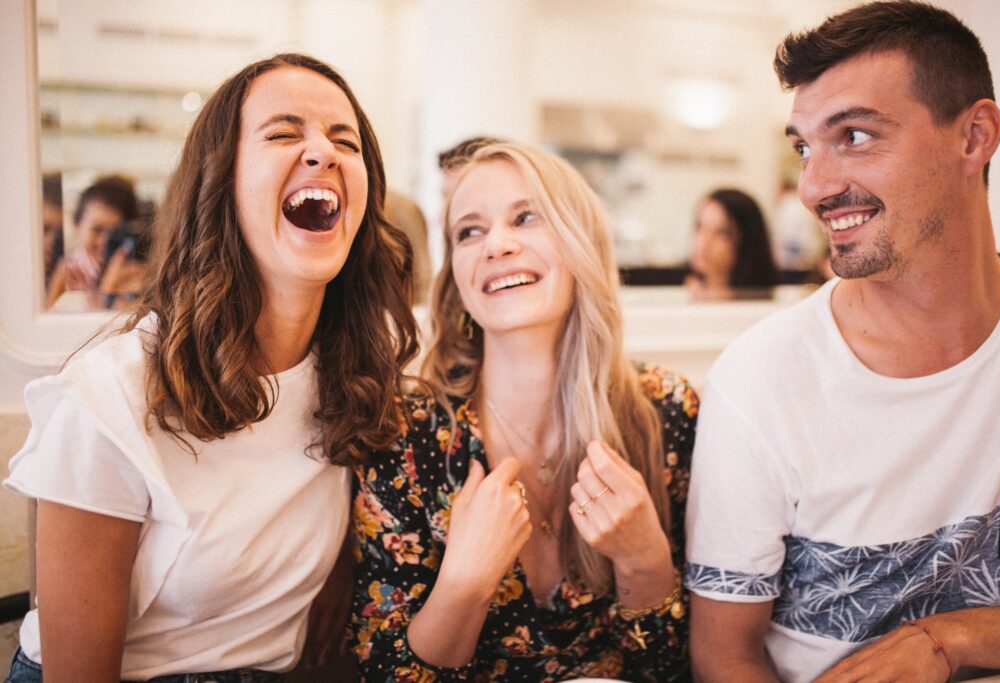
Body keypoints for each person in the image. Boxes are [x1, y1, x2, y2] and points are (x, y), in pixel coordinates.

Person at [3, 53, 417, 682]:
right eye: (283, 133)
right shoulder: (111, 394)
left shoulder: (355, 368)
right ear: (220, 182)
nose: (323, 153)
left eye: (345, 140)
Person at [685, 2, 1000, 682]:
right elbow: (724, 658)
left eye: (857, 137)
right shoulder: (761, 381)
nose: (815, 185)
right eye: (805, 147)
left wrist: (947, 639)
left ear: (975, 136)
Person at [350, 142, 698, 681]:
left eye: (526, 217)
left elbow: (678, 669)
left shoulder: (667, 413)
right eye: (469, 231)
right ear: (457, 281)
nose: (496, 245)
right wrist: (465, 582)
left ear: (581, 243)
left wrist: (645, 562)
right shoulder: (402, 433)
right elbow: (380, 673)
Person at [45, 174, 139, 310]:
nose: (104, 240)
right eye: (97, 229)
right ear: (76, 225)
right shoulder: (62, 276)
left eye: (115, 233)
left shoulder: (133, 275)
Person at [684, 188, 779, 300]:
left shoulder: (762, 305)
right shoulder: (682, 293)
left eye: (722, 232)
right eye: (700, 227)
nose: (703, 242)